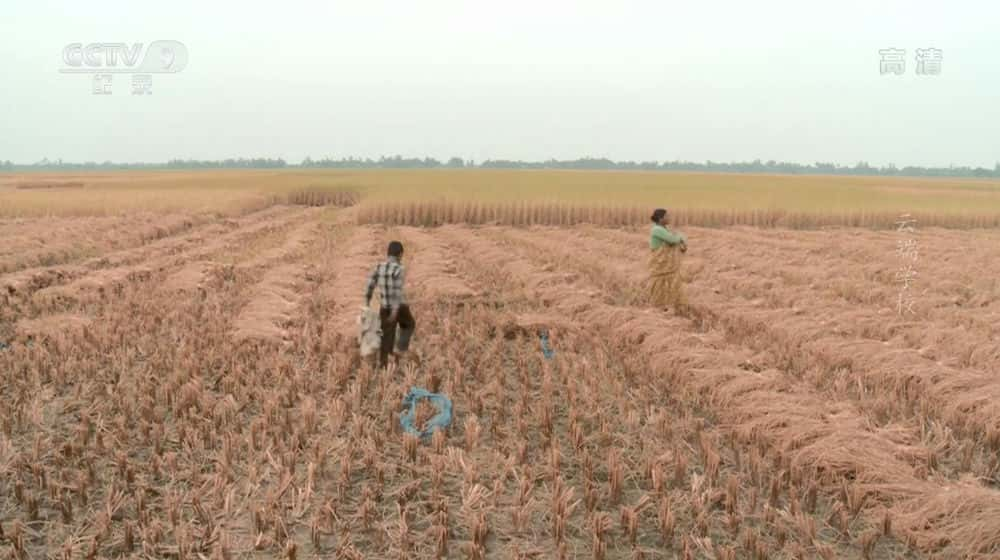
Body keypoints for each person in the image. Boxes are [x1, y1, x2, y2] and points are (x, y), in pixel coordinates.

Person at [364, 241, 416, 368]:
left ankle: (383, 365)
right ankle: (400, 348)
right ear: (400, 255)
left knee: (387, 335)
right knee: (409, 324)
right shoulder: (399, 269)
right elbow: (397, 291)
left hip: (384, 307)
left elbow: (369, 285)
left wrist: (367, 301)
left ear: (388, 254)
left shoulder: (378, 267)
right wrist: (395, 311)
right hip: (398, 307)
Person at [648, 208, 687, 312]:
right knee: (659, 284)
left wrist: (679, 237)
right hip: (660, 263)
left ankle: (669, 306)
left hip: (667, 265)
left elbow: (675, 239)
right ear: (661, 218)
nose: (669, 218)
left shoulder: (663, 229)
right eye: (667, 216)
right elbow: (673, 239)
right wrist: (680, 236)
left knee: (670, 283)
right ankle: (658, 307)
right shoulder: (657, 230)